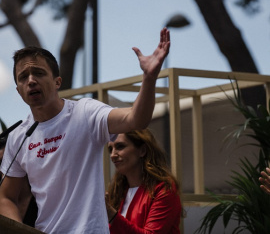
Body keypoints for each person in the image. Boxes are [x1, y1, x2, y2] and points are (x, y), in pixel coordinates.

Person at [0, 28, 170, 234]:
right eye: (23, 77)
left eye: (38, 73)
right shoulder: (19, 136)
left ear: (57, 82)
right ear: (18, 90)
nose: (31, 80)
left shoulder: (85, 112)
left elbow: (136, 119)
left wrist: (149, 78)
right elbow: (6, 197)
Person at [106, 128, 182, 233]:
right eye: (110, 149)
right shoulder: (118, 190)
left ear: (142, 151)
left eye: (120, 146)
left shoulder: (164, 189)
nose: (113, 155)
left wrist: (111, 213)